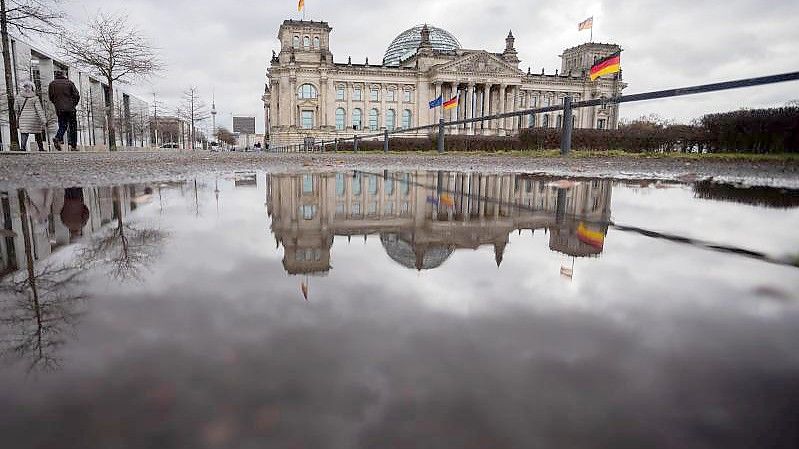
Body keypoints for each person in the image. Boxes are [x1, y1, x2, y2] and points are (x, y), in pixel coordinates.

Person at [48, 71, 80, 151]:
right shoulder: (69, 83)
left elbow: (51, 97)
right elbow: (76, 95)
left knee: (63, 125)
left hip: (59, 109)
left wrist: (57, 104)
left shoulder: (52, 84)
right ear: (64, 75)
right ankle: (73, 146)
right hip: (70, 108)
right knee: (73, 127)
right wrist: (74, 104)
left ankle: (58, 137)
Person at [16, 80, 47, 152]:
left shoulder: (18, 97)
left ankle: (23, 147)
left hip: (23, 118)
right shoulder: (35, 98)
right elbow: (39, 110)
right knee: (38, 133)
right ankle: (40, 147)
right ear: (32, 88)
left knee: (24, 133)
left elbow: (16, 109)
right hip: (34, 119)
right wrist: (44, 120)